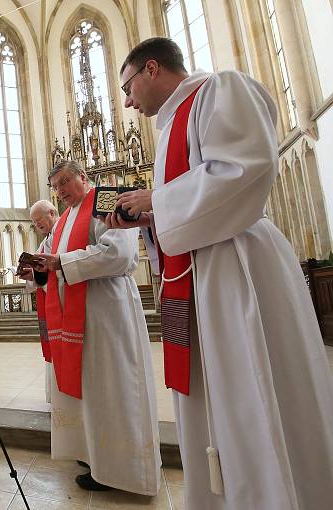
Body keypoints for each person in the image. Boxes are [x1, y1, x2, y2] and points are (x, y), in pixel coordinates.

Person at [107, 37, 333, 509]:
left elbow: (243, 170)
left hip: (236, 271)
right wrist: (153, 217)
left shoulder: (218, 91)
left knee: (252, 396)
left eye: (128, 86)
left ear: (152, 69)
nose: (128, 101)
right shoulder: (170, 124)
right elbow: (192, 200)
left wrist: (159, 201)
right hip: (196, 277)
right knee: (210, 405)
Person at [23, 160, 161, 495]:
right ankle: (96, 459)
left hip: (107, 315)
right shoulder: (65, 220)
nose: (61, 191)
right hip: (78, 317)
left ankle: (122, 471)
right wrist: (38, 273)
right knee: (92, 392)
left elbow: (120, 255)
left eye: (66, 182)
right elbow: (55, 262)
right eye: (56, 186)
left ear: (84, 178)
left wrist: (62, 263)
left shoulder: (105, 201)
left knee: (113, 390)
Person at [20, 199, 59, 404]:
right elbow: (43, 276)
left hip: (60, 301)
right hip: (47, 301)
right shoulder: (44, 242)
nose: (37, 225)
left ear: (52, 213)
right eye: (34, 223)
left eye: (39, 220)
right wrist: (31, 276)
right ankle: (54, 396)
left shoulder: (63, 234)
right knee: (51, 346)